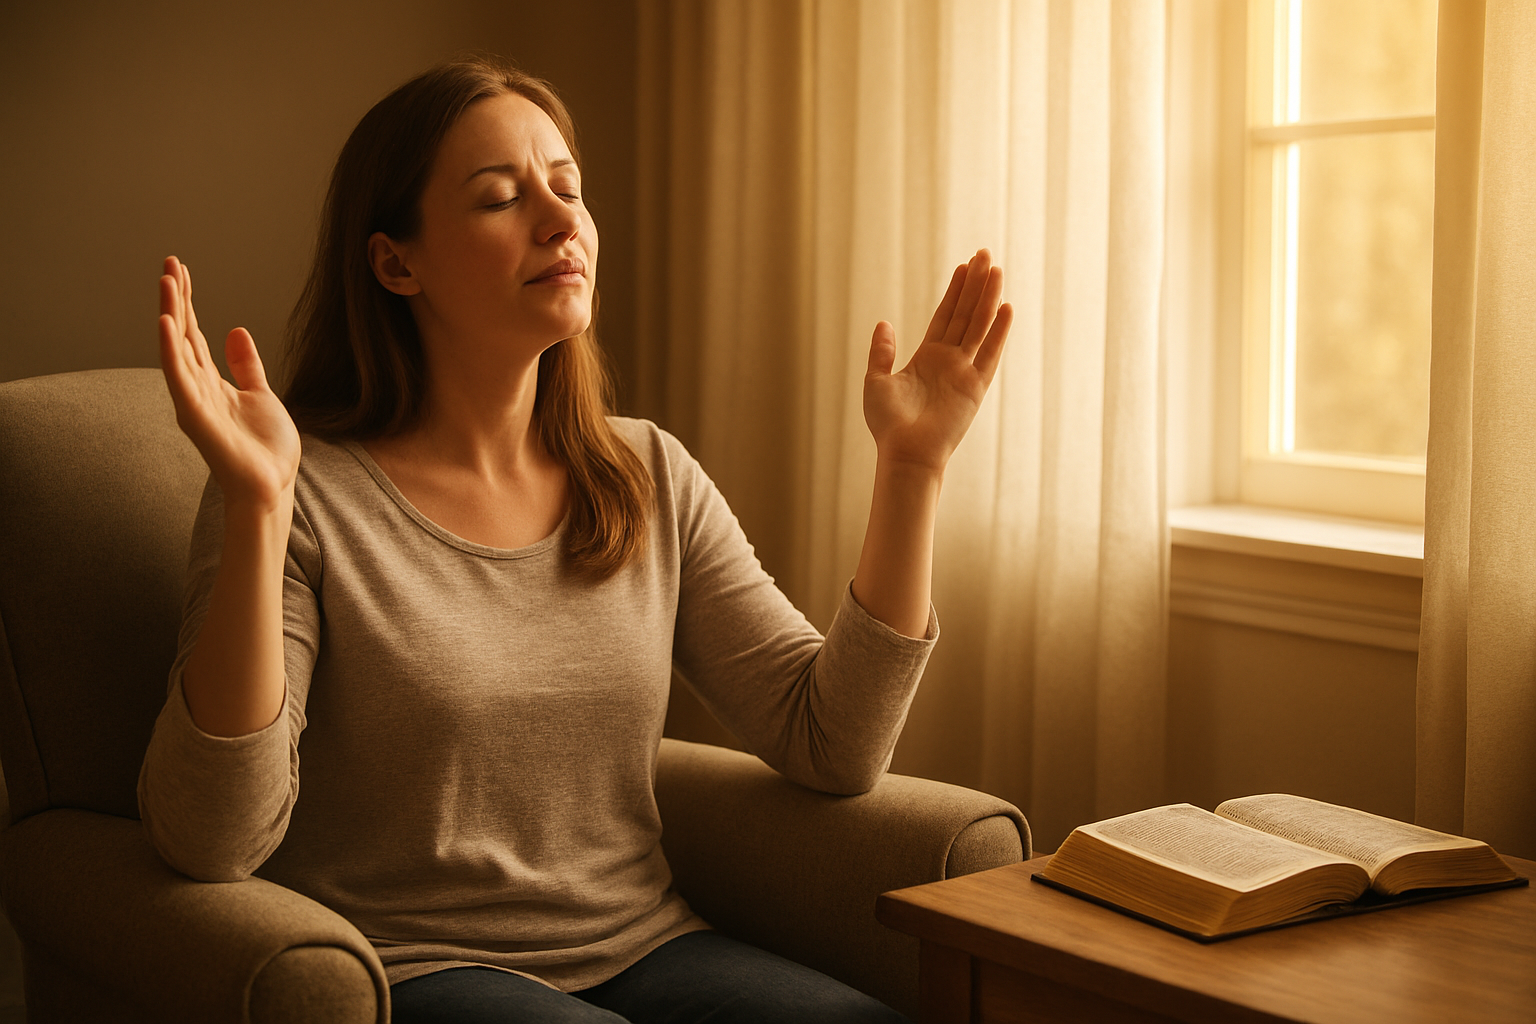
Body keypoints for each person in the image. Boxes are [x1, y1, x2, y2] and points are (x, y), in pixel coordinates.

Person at [137, 55, 1012, 1024]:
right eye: (502, 198)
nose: (561, 222)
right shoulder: (297, 492)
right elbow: (212, 836)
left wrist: (911, 469)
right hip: (410, 965)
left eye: (569, 188)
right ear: (395, 262)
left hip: (647, 944)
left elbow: (832, 741)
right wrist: (258, 504)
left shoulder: (645, 472)